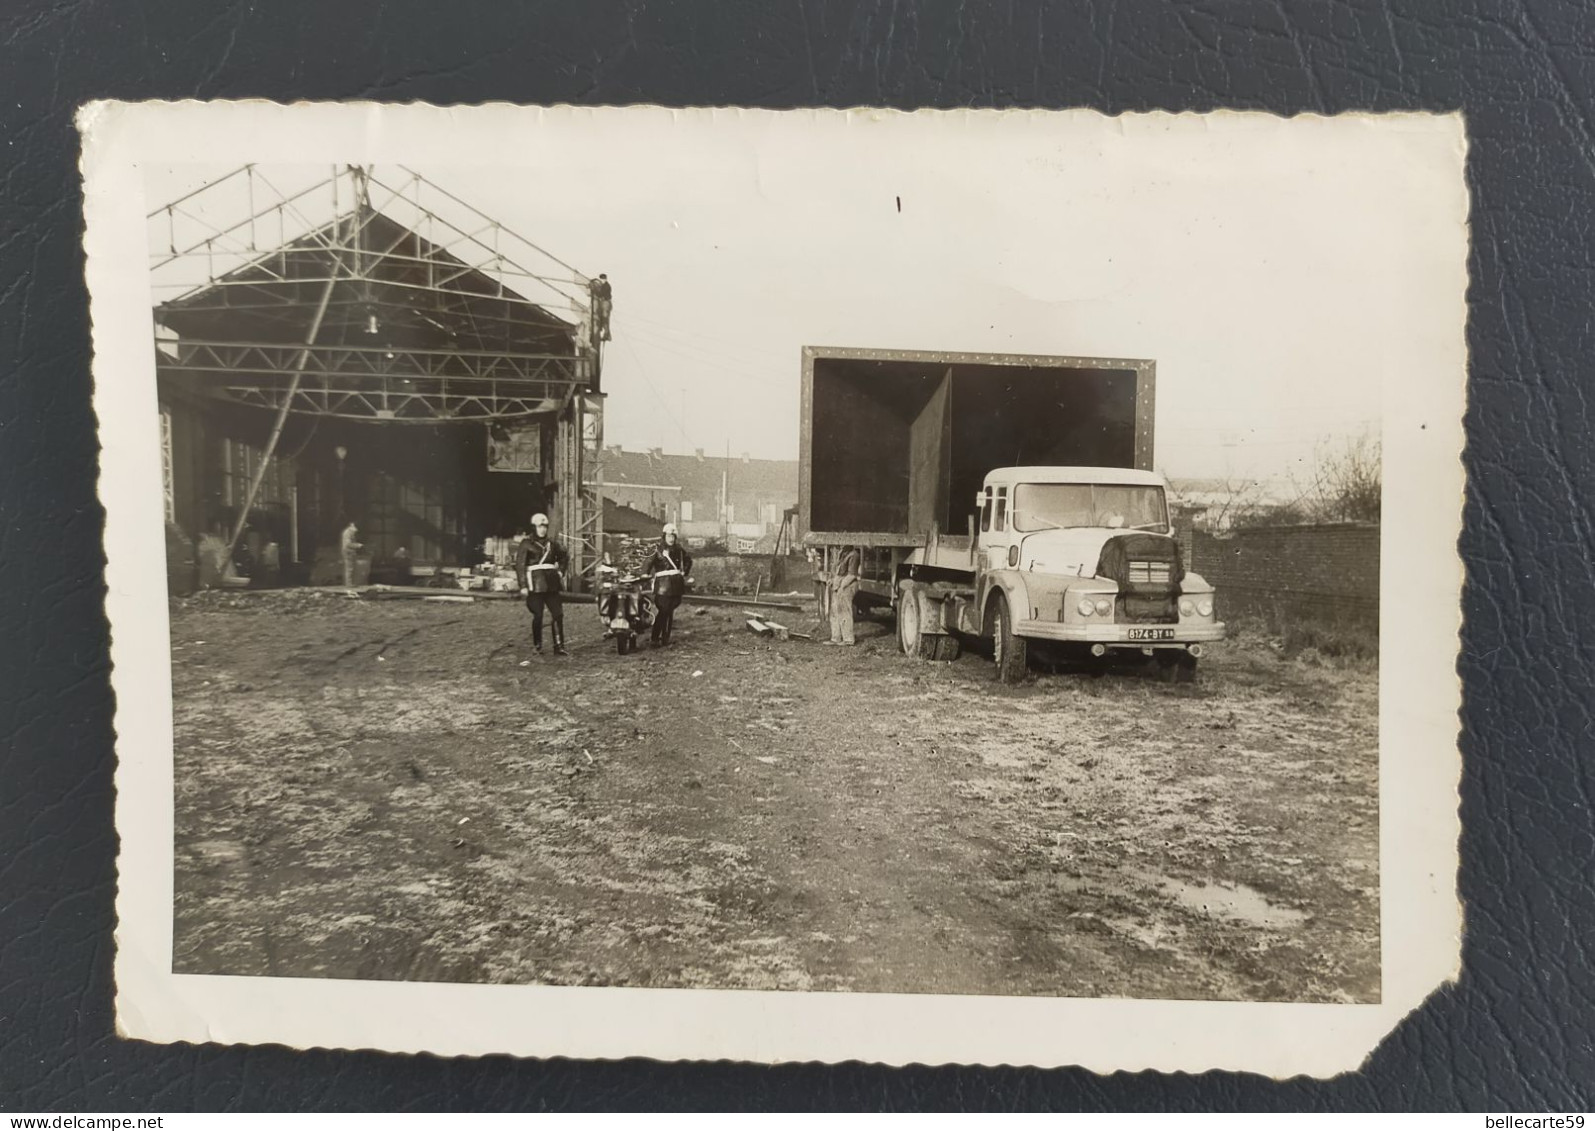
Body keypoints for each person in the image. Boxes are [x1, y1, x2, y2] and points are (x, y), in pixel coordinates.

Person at [516, 512, 570, 655]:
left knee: (558, 614)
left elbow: (564, 556)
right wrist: (523, 586)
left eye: (545, 526)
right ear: (534, 527)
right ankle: (537, 645)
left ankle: (559, 646)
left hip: (552, 584)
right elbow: (520, 566)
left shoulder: (552, 544)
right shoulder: (526, 544)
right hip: (535, 584)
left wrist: (561, 572)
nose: (543, 529)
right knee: (538, 615)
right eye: (540, 526)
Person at [645, 522, 693, 647]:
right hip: (662, 586)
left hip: (676, 585)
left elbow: (689, 560)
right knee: (664, 610)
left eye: (673, 536)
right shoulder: (657, 549)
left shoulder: (679, 549)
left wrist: (684, 571)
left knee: (669, 610)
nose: (671, 539)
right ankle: (655, 637)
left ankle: (665, 637)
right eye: (669, 536)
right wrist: (646, 574)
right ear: (664, 536)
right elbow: (648, 563)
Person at [826, 544, 862, 646]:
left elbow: (852, 575)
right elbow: (839, 572)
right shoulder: (843, 554)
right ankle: (835, 637)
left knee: (844, 611)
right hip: (839, 584)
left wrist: (842, 586)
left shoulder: (854, 555)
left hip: (848, 584)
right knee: (834, 611)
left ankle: (848, 639)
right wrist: (833, 580)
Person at [589, 274, 613, 342]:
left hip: (606, 304)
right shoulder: (603, 285)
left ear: (605, 279)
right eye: (601, 279)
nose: (602, 280)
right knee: (603, 319)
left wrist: (593, 289)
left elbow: (600, 294)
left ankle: (607, 335)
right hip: (604, 303)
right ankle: (607, 335)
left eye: (603, 279)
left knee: (605, 319)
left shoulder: (606, 286)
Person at [340, 520, 363, 588]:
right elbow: (348, 544)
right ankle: (349, 583)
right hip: (348, 552)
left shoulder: (350, 532)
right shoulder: (348, 533)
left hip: (350, 552)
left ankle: (351, 583)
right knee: (349, 568)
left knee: (351, 568)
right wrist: (358, 545)